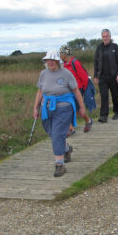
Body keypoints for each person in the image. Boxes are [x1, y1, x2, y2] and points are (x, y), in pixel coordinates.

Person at [33, 49, 86, 177]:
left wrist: (82, 107)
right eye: (48, 60)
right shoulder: (43, 74)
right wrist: (35, 108)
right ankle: (67, 148)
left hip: (64, 107)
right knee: (52, 133)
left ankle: (59, 164)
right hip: (47, 107)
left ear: (58, 61)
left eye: (53, 60)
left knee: (57, 134)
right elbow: (40, 92)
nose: (50, 62)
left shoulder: (66, 73)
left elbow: (76, 91)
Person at [60, 46, 94, 136]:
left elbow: (84, 78)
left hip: (77, 90)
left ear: (65, 54)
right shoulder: (63, 65)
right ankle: (72, 128)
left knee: (76, 110)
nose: (59, 56)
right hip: (68, 91)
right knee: (68, 109)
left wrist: (83, 91)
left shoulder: (75, 63)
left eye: (60, 54)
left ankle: (87, 121)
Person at [94, 29, 118, 123]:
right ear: (101, 37)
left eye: (107, 36)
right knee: (104, 95)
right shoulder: (99, 48)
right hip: (102, 76)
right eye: (103, 36)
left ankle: (117, 112)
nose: (105, 38)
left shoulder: (115, 47)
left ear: (110, 37)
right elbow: (96, 62)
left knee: (115, 95)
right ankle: (103, 116)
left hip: (113, 76)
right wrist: (95, 75)